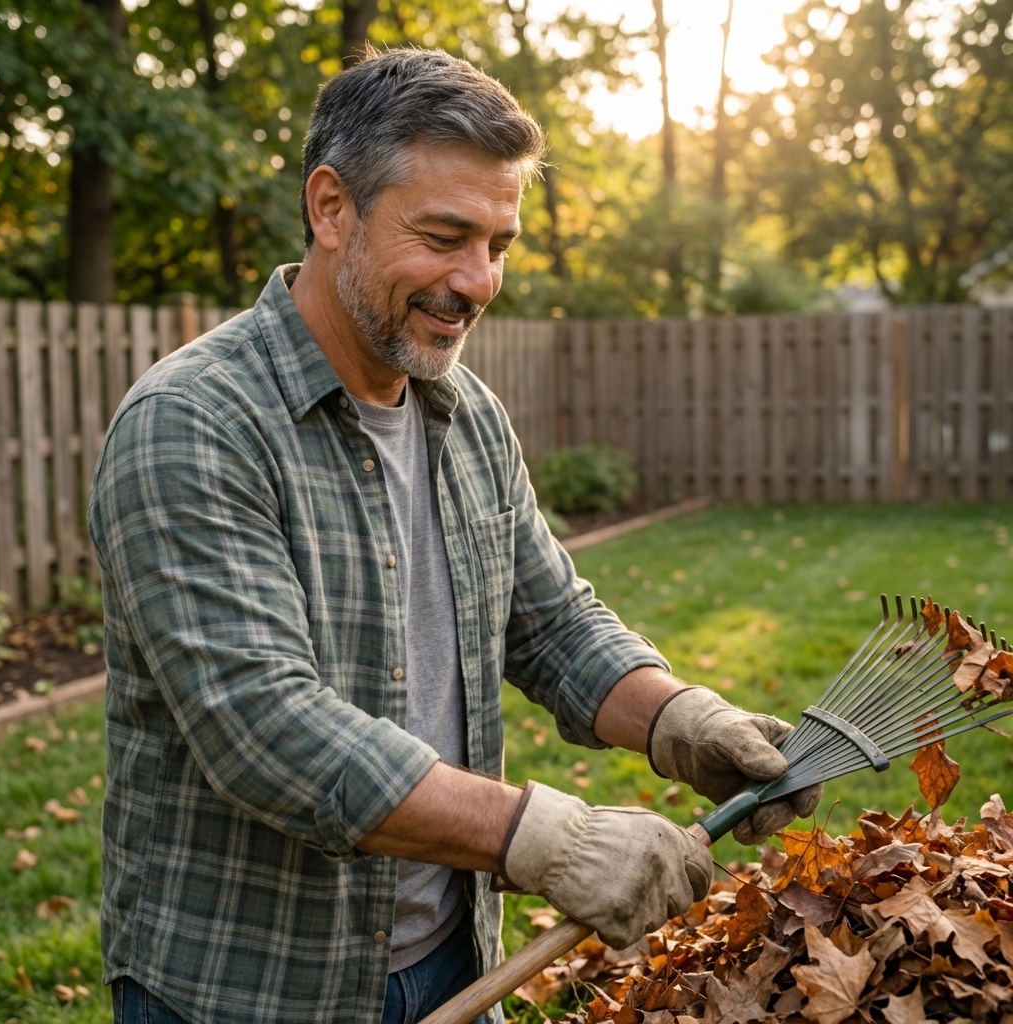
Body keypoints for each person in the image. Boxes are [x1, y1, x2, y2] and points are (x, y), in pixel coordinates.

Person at [89, 47, 821, 1024]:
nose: (477, 281)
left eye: (498, 243)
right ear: (331, 208)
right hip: (247, 987)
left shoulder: (462, 410)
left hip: (451, 962)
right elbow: (263, 726)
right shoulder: (193, 422)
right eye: (444, 236)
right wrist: (546, 837)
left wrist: (676, 718)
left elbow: (549, 620)